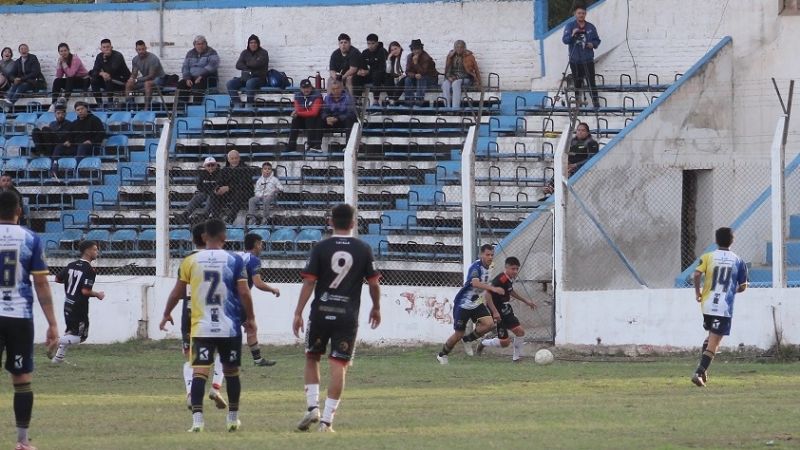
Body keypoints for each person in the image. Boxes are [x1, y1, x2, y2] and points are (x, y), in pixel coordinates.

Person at [159, 218, 256, 433]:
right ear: (224, 237)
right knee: (231, 372)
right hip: (229, 326)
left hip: (201, 326)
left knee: (199, 373)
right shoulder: (234, 259)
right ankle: (232, 419)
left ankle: (197, 422)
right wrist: (251, 318)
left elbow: (177, 293)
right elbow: (244, 292)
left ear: (204, 236)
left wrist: (166, 313)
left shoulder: (190, 261)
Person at [293, 203, 381, 432]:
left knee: (312, 357)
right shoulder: (363, 249)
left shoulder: (320, 247)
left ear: (330, 222)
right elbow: (373, 283)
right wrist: (376, 307)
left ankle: (312, 407)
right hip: (347, 316)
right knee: (338, 365)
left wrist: (298, 312)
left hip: (320, 312)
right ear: (353, 223)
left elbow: (309, 282)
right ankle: (326, 421)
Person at [0, 190, 59, 450]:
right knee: (22, 379)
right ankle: (22, 442)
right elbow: (41, 283)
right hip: (19, 317)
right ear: (19, 211)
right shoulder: (30, 238)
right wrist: (52, 323)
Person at [178, 222, 228, 411]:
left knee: (191, 358)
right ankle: (216, 386)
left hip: (190, 313)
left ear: (193, 239)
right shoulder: (219, 259)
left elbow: (181, 290)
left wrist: (167, 312)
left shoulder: (188, 260)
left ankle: (191, 394)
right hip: (214, 312)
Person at [690, 227, 748, 387]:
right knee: (715, 342)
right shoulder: (738, 261)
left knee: (711, 337)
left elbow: (696, 274)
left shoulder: (708, 256)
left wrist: (698, 292)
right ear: (732, 241)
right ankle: (699, 372)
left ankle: (703, 371)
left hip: (707, 304)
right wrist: (732, 290)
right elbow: (743, 286)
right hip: (723, 307)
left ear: (716, 240)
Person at [436, 244, 503, 364]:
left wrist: (493, 307)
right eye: (487, 254)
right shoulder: (475, 267)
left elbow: (485, 287)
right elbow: (475, 283)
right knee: (458, 334)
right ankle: (442, 355)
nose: (490, 257)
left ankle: (468, 339)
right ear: (481, 255)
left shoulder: (491, 266)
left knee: (490, 324)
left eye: (492, 255)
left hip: (476, 302)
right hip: (463, 304)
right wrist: (493, 288)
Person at [50, 240, 105, 363]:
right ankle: (55, 341)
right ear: (87, 251)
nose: (97, 252)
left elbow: (57, 279)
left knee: (70, 332)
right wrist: (98, 294)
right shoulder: (89, 270)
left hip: (68, 303)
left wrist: (71, 282)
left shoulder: (71, 265)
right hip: (79, 306)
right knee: (81, 337)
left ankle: (58, 359)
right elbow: (85, 291)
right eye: (95, 249)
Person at [475, 257, 537, 362]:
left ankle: (516, 359)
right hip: (498, 312)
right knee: (504, 343)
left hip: (506, 309)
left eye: (517, 269)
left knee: (520, 332)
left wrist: (526, 301)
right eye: (513, 269)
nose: (515, 271)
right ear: (506, 267)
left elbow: (510, 291)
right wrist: (495, 312)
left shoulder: (509, 278)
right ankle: (483, 343)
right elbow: (487, 295)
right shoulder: (501, 279)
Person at [239, 232, 281, 366]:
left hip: (226, 299)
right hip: (240, 300)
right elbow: (257, 283)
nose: (262, 247)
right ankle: (255, 360)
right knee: (250, 327)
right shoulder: (253, 260)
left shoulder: (238, 256)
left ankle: (257, 360)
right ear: (256, 244)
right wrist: (272, 289)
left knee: (249, 327)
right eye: (261, 244)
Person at [541, 122, 599, 198]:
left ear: (587, 132)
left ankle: (556, 189)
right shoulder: (573, 141)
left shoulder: (592, 143)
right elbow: (569, 155)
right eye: (578, 130)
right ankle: (550, 187)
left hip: (583, 167)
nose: (580, 132)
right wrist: (567, 162)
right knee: (562, 168)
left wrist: (576, 165)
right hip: (571, 166)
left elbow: (591, 159)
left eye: (583, 130)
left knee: (568, 171)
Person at [562, 5, 601, 108]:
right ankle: (578, 104)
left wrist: (593, 44)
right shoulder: (570, 26)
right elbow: (565, 40)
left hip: (588, 59)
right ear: (575, 14)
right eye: (579, 13)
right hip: (575, 60)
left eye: (583, 13)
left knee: (591, 82)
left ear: (585, 14)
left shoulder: (590, 27)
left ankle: (596, 104)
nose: (581, 15)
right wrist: (572, 34)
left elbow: (597, 40)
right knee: (577, 83)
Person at [51, 101, 105, 170]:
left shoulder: (94, 120)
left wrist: (91, 141)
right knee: (59, 146)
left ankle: (75, 170)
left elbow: (101, 133)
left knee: (82, 146)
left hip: (91, 147)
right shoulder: (75, 123)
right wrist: (68, 141)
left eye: (82, 109)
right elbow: (70, 135)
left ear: (87, 109)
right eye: (78, 110)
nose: (80, 111)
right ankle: (54, 167)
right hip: (76, 148)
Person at [209, 150, 255, 223]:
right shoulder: (225, 170)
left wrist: (229, 187)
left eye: (236, 158)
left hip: (244, 193)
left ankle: (230, 218)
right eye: (232, 158)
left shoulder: (246, 168)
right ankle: (215, 218)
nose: (234, 160)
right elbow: (219, 182)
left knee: (238, 193)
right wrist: (218, 189)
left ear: (239, 158)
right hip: (229, 193)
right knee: (214, 195)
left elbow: (244, 184)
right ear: (228, 159)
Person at [226, 34, 269, 107]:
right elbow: (238, 65)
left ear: (258, 44)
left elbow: (257, 64)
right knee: (230, 83)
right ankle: (237, 105)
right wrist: (248, 67)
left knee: (250, 83)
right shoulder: (245, 53)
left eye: (255, 42)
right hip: (245, 78)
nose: (253, 44)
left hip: (259, 79)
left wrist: (246, 64)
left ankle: (249, 105)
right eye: (251, 43)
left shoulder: (263, 53)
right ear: (248, 44)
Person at [177, 35, 220, 108]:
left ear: (206, 44)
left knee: (198, 86)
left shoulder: (212, 52)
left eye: (202, 44)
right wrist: (187, 78)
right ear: (194, 45)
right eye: (198, 44)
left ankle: (196, 107)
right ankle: (181, 108)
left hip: (206, 78)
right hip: (192, 78)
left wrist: (201, 76)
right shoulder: (190, 53)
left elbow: (212, 66)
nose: (200, 46)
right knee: (181, 84)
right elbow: (185, 67)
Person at [179, 156, 222, 223]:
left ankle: (204, 215)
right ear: (205, 166)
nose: (210, 167)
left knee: (211, 196)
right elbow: (199, 186)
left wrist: (210, 189)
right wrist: (208, 190)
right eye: (208, 165)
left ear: (216, 165)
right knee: (198, 196)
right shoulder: (203, 174)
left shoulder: (220, 173)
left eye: (212, 165)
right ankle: (185, 214)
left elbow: (219, 185)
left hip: (215, 194)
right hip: (205, 192)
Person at [124, 40, 165, 109]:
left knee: (147, 84)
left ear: (146, 48)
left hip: (159, 79)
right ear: (136, 50)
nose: (141, 51)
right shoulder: (135, 59)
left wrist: (136, 80)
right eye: (139, 49)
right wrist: (131, 79)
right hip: (146, 79)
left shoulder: (153, 58)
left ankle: (146, 108)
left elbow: (151, 76)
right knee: (129, 84)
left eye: (143, 49)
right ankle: (130, 107)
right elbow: (134, 73)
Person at [90, 39, 131, 106]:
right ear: (101, 49)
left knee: (108, 78)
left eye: (108, 47)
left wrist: (105, 59)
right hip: (108, 81)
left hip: (121, 80)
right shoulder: (99, 56)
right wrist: (102, 73)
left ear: (111, 47)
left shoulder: (118, 55)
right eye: (104, 47)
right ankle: (99, 104)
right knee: (94, 80)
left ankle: (110, 103)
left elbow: (112, 70)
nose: (106, 49)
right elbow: (94, 71)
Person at [442, 40, 481, 109]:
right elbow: (447, 69)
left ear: (464, 48)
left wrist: (478, 82)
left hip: (466, 78)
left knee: (455, 83)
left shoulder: (469, 56)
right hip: (453, 77)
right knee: (445, 84)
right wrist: (448, 77)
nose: (459, 49)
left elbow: (475, 70)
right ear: (454, 48)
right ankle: (447, 108)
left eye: (461, 47)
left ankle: (455, 108)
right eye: (457, 47)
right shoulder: (451, 56)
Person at [287, 79, 323, 152]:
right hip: (305, 120)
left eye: (308, 87)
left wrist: (299, 113)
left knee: (310, 118)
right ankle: (291, 146)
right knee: (295, 120)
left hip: (316, 121)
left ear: (311, 87)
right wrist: (298, 113)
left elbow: (314, 112)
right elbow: (298, 109)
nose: (306, 90)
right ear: (300, 88)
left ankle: (311, 145)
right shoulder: (298, 96)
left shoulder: (317, 95)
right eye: (304, 88)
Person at [404, 39, 438, 106]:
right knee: (407, 79)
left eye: (418, 49)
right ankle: (409, 102)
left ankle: (419, 102)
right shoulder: (409, 57)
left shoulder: (426, 57)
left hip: (430, 79)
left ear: (421, 49)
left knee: (421, 78)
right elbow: (407, 71)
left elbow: (423, 72)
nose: (416, 51)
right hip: (417, 77)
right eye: (414, 49)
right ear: (412, 50)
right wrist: (414, 75)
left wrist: (416, 63)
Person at [360, 33, 387, 106]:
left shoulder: (382, 51)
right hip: (367, 75)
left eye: (373, 43)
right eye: (368, 43)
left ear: (377, 43)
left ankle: (376, 101)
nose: (370, 46)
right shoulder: (365, 52)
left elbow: (382, 68)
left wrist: (369, 71)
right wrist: (360, 71)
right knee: (355, 77)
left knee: (377, 74)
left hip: (380, 76)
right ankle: (356, 100)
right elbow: (361, 65)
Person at [383, 41, 405, 105]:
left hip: (403, 76)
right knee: (387, 78)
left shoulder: (403, 56)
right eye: (392, 50)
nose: (394, 51)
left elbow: (407, 69)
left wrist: (402, 75)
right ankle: (391, 99)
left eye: (395, 49)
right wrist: (389, 59)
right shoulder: (393, 58)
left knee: (403, 80)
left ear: (400, 48)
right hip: (395, 77)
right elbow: (388, 71)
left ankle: (393, 100)